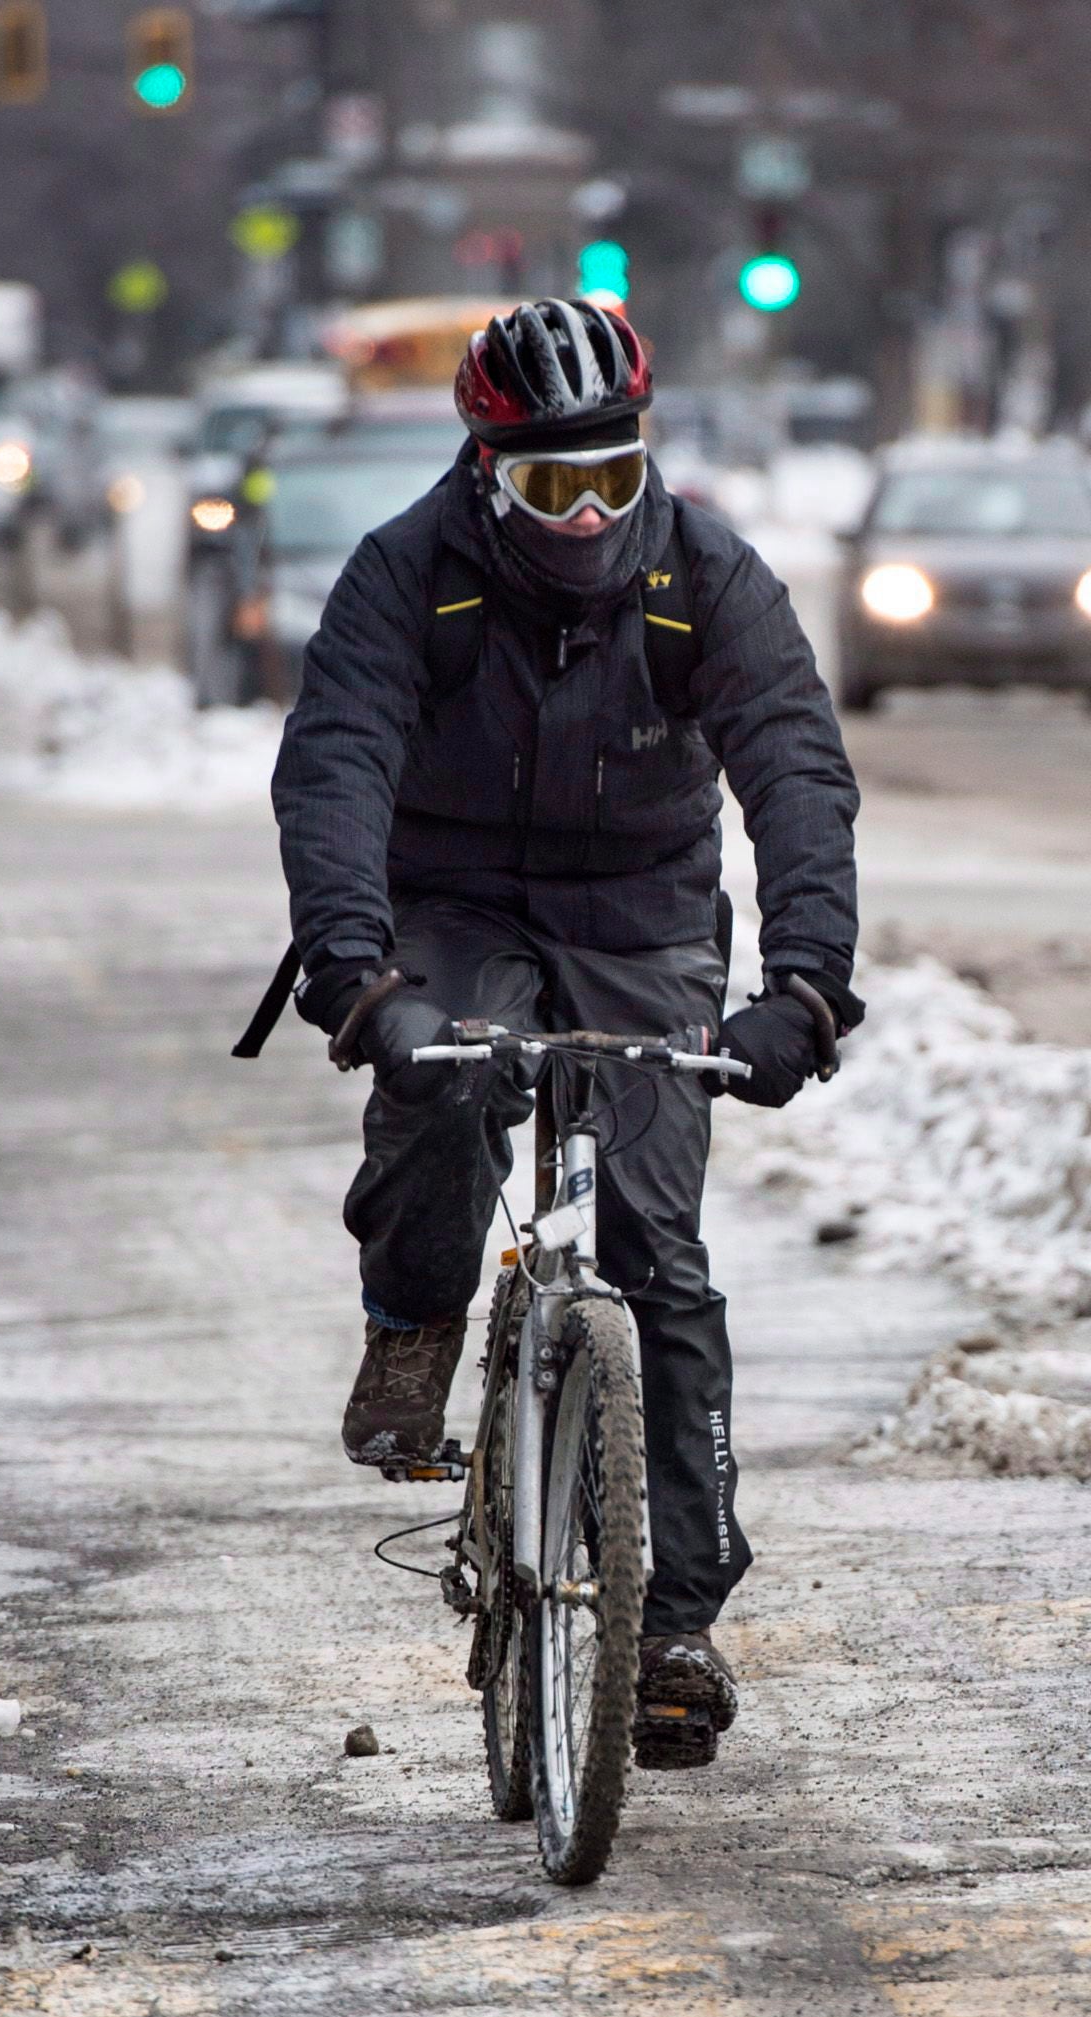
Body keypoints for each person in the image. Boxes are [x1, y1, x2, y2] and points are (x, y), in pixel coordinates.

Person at [260, 296, 863, 1771]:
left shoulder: (707, 570)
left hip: (641, 905)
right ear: (484, 470)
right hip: (453, 893)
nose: (587, 514)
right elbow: (334, 763)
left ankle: (670, 1626)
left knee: (657, 1251)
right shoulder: (406, 572)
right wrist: (357, 976)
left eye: (613, 473)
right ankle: (411, 1323)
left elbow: (793, 762)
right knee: (445, 1085)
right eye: (549, 486)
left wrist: (805, 986)